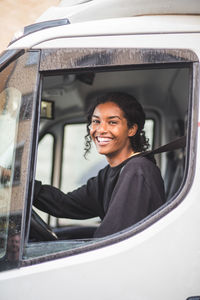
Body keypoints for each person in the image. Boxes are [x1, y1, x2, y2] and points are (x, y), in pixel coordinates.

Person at [34, 92, 165, 238]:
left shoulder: (138, 171)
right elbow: (65, 204)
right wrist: (24, 188)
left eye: (112, 122)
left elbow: (115, 237)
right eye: (96, 121)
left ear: (131, 129)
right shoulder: (109, 173)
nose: (101, 130)